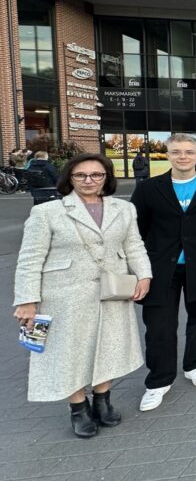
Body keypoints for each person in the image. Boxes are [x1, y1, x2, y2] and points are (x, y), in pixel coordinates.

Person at [13, 154, 152, 437]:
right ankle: (78, 407)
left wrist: (144, 275)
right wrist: (27, 300)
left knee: (110, 345)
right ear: (69, 179)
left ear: (106, 178)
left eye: (96, 175)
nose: (89, 181)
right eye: (81, 175)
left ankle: (102, 400)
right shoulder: (47, 212)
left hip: (111, 291)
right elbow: (29, 259)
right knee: (67, 353)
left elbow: (134, 244)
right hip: (62, 295)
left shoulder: (123, 209)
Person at [131, 133, 196, 412]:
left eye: (188, 151)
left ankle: (194, 364)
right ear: (167, 155)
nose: (183, 156)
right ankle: (159, 381)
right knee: (160, 325)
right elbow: (138, 227)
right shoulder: (149, 189)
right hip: (161, 267)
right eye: (176, 152)